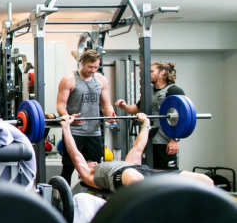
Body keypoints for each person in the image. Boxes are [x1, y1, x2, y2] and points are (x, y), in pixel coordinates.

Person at [60, 113, 213, 192]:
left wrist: (146, 123)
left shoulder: (128, 163)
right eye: (90, 163)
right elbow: (74, 153)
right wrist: (66, 127)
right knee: (135, 180)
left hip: (146, 173)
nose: (93, 162)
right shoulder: (89, 175)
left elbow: (138, 147)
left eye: (92, 161)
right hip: (122, 177)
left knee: (205, 181)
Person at [56, 49, 116, 184]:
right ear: (82, 63)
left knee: (96, 171)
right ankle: (60, 201)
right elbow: (60, 105)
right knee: (68, 170)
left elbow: (106, 105)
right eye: (90, 67)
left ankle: (93, 200)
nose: (93, 70)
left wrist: (110, 116)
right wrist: (69, 118)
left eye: (96, 67)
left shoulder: (101, 79)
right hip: (74, 133)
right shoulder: (69, 79)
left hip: (94, 133)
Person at [114, 62, 184, 170]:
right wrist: (124, 106)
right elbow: (137, 109)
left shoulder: (173, 91)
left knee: (169, 175)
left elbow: (182, 117)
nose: (149, 74)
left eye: (152, 71)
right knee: (152, 173)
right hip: (150, 140)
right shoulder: (148, 92)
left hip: (166, 142)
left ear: (162, 72)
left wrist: (175, 140)